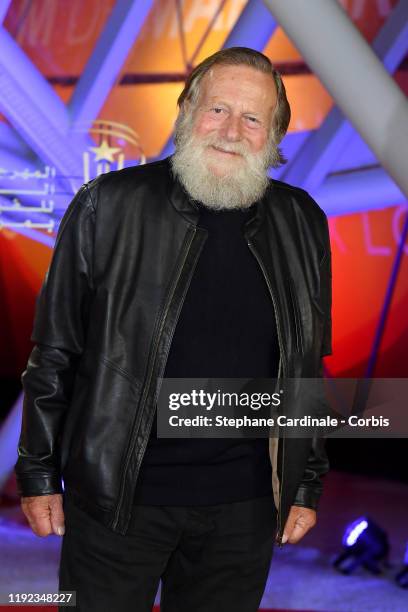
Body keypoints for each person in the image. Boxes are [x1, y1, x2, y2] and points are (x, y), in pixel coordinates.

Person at [15, 47, 332, 612]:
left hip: (245, 510)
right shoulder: (105, 207)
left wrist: (305, 484)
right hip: (118, 502)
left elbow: (308, 365)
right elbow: (54, 353)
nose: (232, 131)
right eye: (217, 110)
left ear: (275, 134)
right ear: (186, 111)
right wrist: (38, 474)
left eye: (253, 118)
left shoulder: (303, 221)